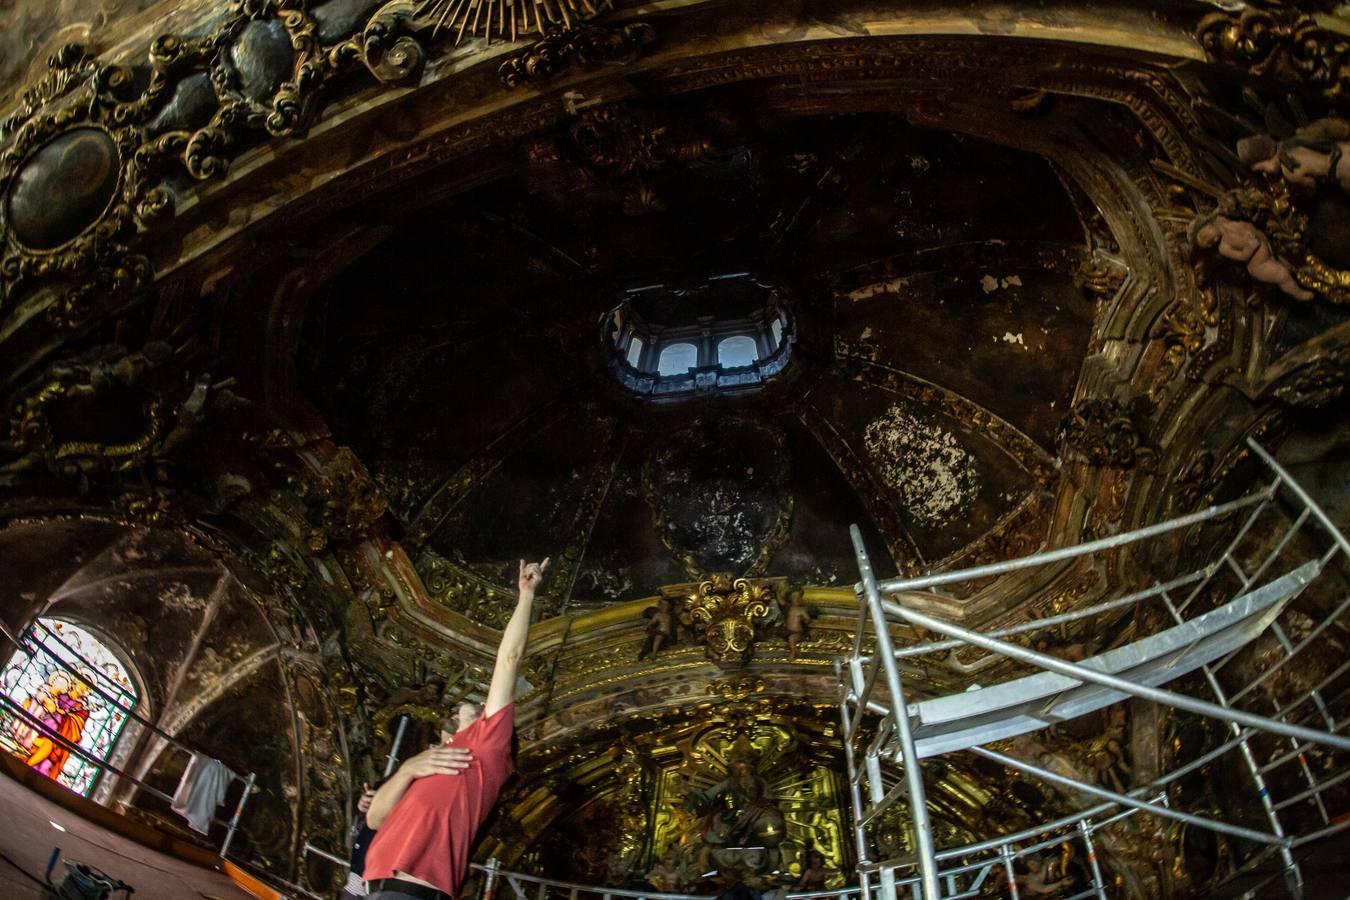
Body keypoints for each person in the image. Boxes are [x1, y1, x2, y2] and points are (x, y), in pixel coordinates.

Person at [362, 558, 550, 900]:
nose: (481, 704)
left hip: (412, 892)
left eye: (484, 708)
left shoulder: (485, 749)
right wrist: (405, 770)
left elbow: (509, 659)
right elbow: (375, 820)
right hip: (375, 885)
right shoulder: (427, 764)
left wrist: (525, 597)